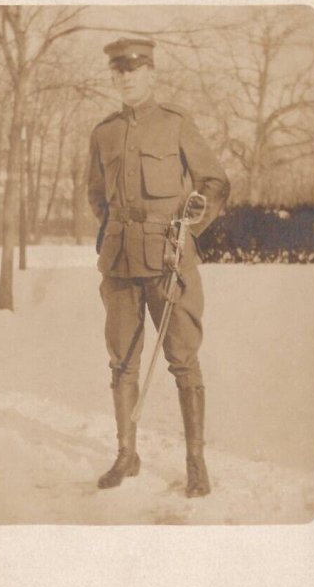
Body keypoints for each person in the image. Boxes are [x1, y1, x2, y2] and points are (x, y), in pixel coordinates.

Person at [85, 37, 230, 497]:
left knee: (184, 362)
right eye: (119, 73)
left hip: (170, 261)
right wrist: (117, 231)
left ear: (151, 74)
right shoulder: (103, 133)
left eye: (135, 71)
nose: (127, 79)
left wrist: (189, 227)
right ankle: (127, 455)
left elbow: (214, 182)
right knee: (122, 363)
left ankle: (195, 462)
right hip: (119, 262)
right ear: (113, 78)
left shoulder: (176, 124)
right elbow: (96, 194)